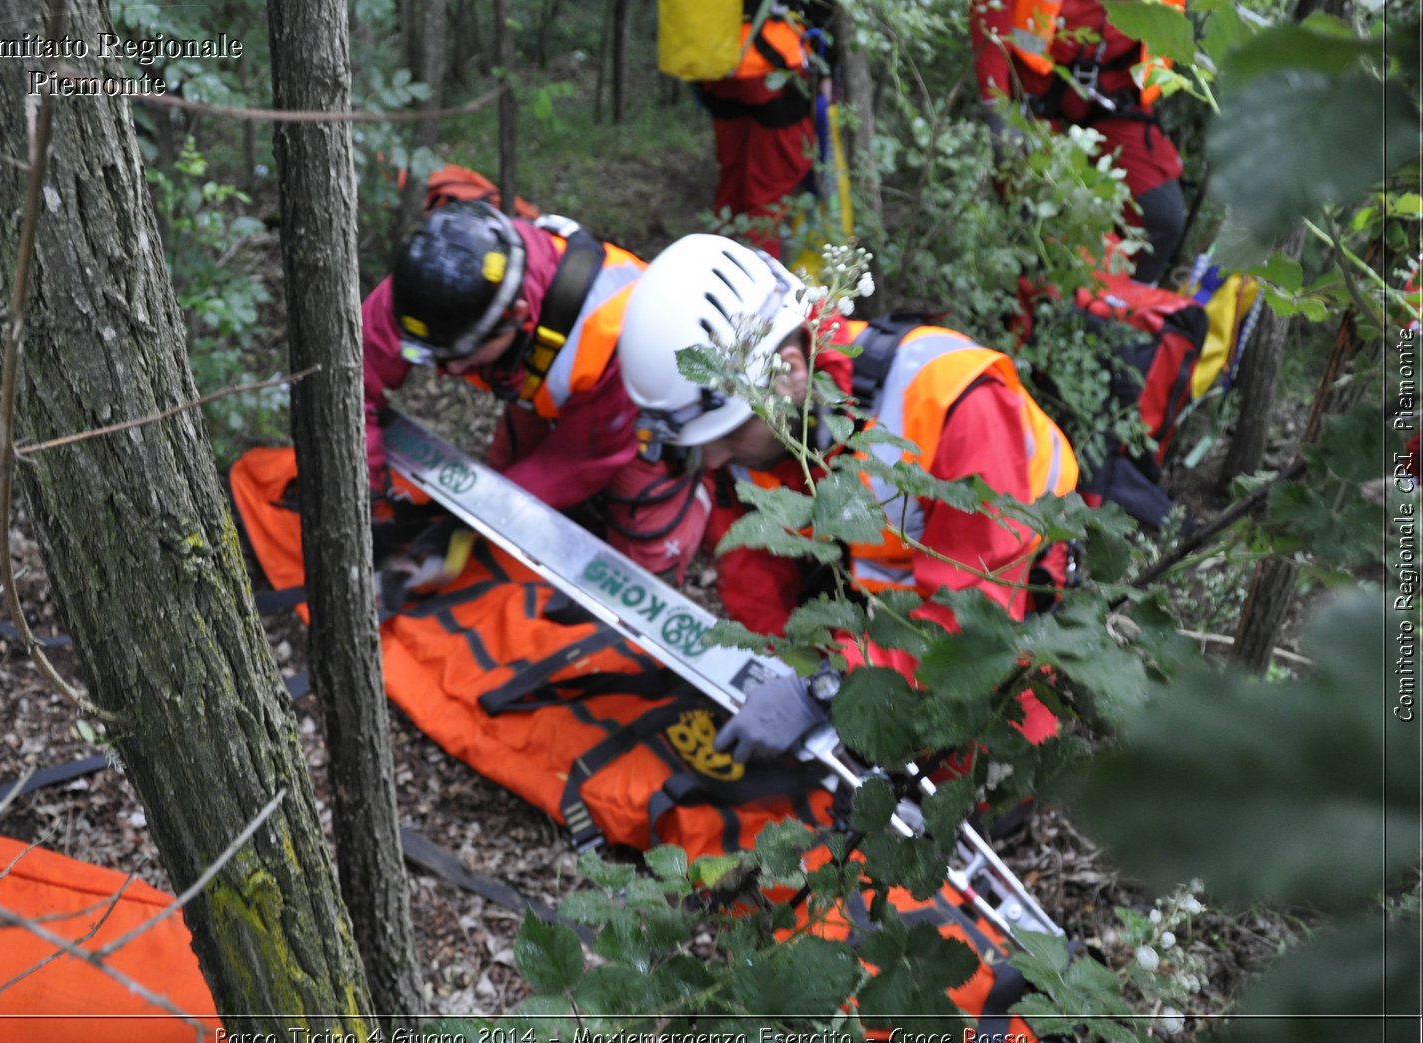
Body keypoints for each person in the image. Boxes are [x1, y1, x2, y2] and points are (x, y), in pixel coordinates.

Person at [616, 234, 1078, 762]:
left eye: (725, 437)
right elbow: (756, 569)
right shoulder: (767, 423)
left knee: (971, 766)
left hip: (1011, 596)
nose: (716, 460)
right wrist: (779, 668)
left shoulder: (954, 403)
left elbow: (977, 627)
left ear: (788, 371)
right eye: (704, 445)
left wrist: (824, 688)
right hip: (881, 605)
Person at [363, 201, 711, 580]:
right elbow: (356, 384)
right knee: (503, 479)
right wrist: (365, 503)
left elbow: (579, 459)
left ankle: (701, 487)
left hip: (635, 412)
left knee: (646, 552)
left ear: (515, 315)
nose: (449, 372)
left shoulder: (615, 337)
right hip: (548, 387)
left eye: (461, 356)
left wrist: (475, 520)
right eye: (433, 357)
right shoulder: (428, 289)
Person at [971, 0, 1186, 285]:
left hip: (1113, 96)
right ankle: (1033, 305)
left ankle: (1129, 313)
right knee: (1038, 209)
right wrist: (996, 108)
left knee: (1162, 218)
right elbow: (990, 13)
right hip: (1036, 84)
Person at [699, 2, 826, 259]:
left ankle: (716, 274)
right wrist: (828, 68)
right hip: (772, 62)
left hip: (717, 59)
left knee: (732, 183)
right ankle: (765, 286)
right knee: (768, 196)